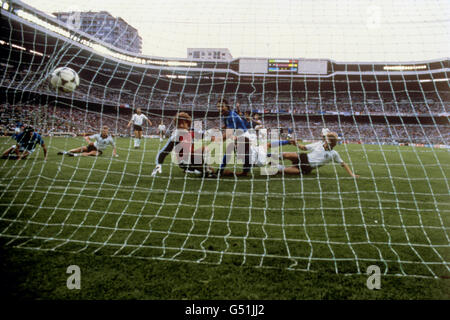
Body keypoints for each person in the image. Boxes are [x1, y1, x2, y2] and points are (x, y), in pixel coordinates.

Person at [151, 112, 215, 177]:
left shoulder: (191, 133)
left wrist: (211, 137)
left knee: (205, 149)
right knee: (208, 171)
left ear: (188, 124)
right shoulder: (176, 136)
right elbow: (164, 152)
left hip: (192, 158)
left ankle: (202, 169)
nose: (181, 125)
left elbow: (202, 135)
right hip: (184, 162)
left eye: (183, 123)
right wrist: (158, 165)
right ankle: (202, 170)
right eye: (178, 124)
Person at [278, 130, 359, 178]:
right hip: (304, 157)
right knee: (286, 155)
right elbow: (304, 148)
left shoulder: (334, 154)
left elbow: (343, 164)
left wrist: (352, 174)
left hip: (307, 168)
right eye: (332, 141)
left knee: (283, 170)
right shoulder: (319, 143)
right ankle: (269, 157)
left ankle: (277, 167)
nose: (334, 143)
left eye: (335, 141)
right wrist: (296, 144)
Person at [216, 99, 252, 177]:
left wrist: (217, 139)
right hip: (239, 134)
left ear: (227, 107)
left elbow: (229, 134)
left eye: (222, 106)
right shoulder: (225, 115)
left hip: (244, 135)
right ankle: (221, 170)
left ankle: (220, 170)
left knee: (243, 153)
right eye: (218, 107)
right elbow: (227, 125)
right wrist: (220, 128)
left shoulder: (231, 116)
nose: (219, 108)